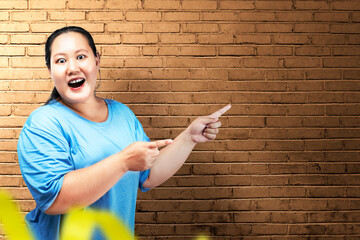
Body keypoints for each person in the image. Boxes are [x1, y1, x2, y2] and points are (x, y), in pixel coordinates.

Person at [17, 26, 231, 240]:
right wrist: (123, 162)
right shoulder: (42, 124)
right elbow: (55, 201)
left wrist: (188, 138)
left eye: (81, 56)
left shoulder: (122, 114)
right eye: (61, 61)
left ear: (96, 60)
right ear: (50, 70)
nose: (72, 68)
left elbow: (147, 174)